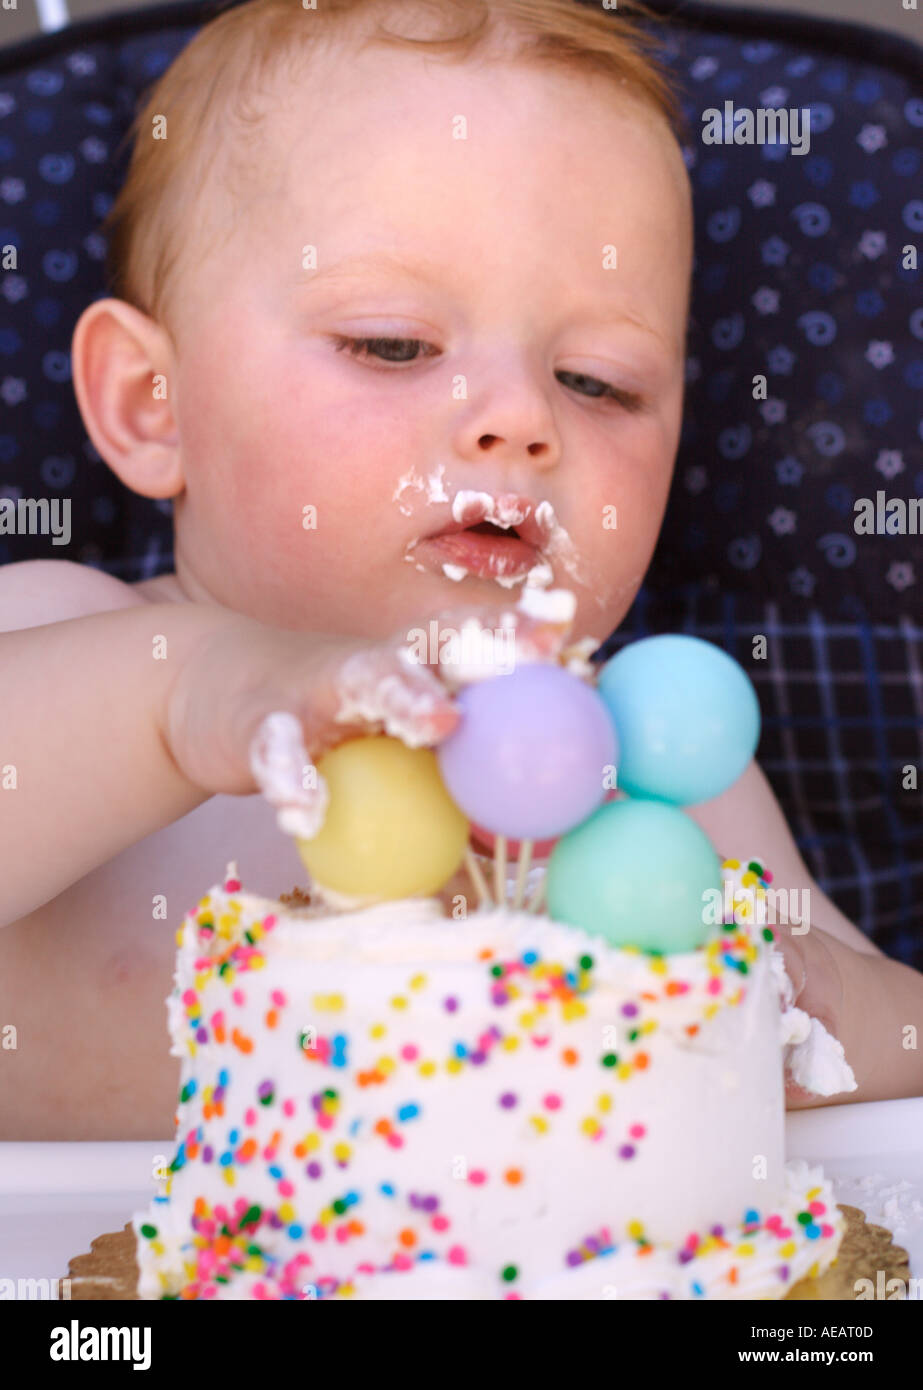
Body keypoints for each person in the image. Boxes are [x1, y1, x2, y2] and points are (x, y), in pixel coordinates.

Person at [1, 0, 919, 1140]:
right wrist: (184, 695)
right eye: (392, 344)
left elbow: (903, 1043)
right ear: (154, 403)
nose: (520, 418)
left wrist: (805, 1006)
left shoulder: (642, 767)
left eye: (598, 381)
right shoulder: (61, 634)